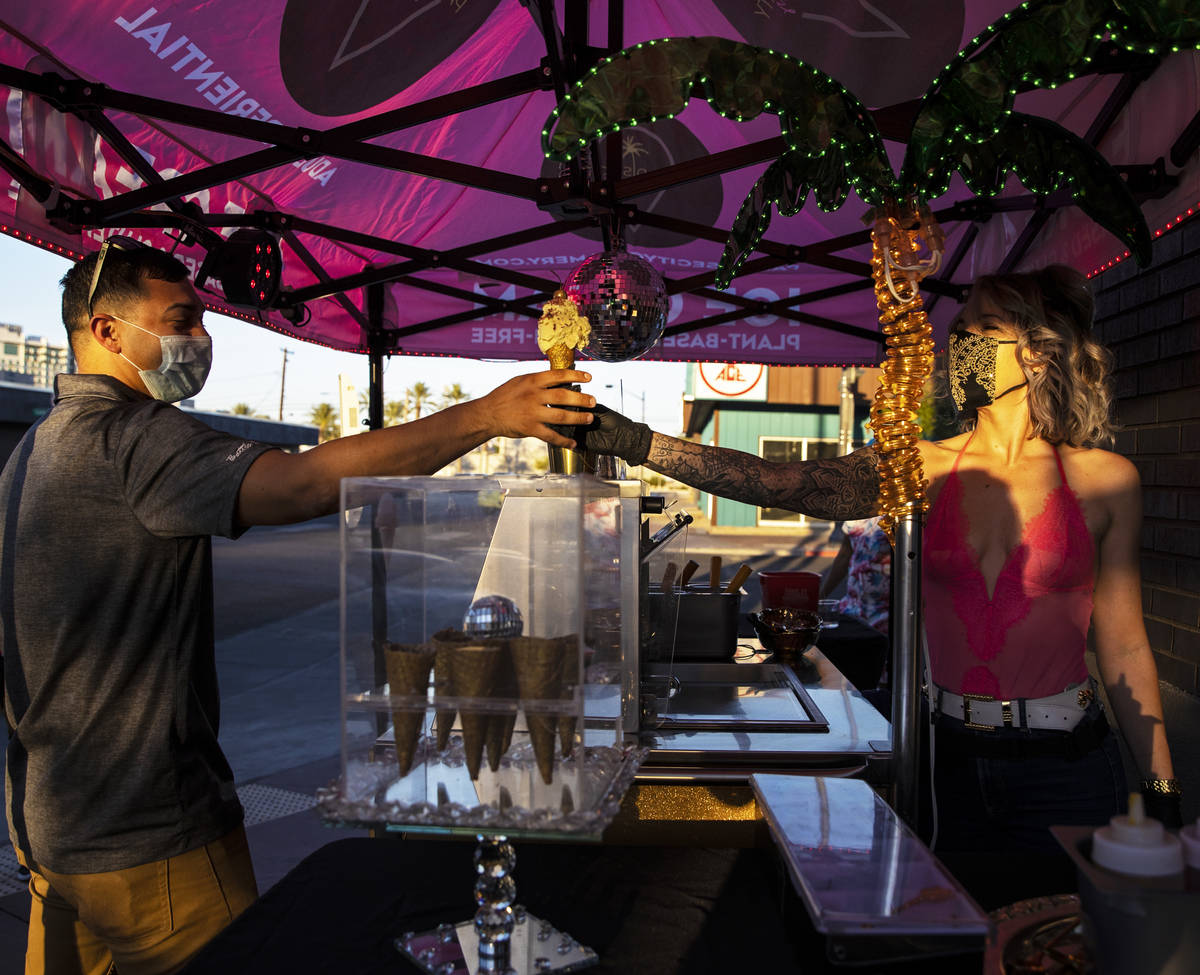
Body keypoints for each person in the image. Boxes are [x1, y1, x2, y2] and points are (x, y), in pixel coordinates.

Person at [0, 240, 595, 975]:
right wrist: (487, 415)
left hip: (51, 835)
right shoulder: (135, 438)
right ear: (107, 331)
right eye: (182, 318)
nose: (201, 339)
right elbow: (304, 483)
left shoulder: (32, 450)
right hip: (152, 840)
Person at [580, 264, 1180, 904]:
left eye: (981, 329)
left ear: (1035, 350)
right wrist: (638, 442)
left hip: (1074, 767)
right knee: (950, 942)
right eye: (958, 331)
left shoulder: (1105, 479)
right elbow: (783, 484)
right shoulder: (919, 466)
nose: (958, 346)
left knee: (1060, 944)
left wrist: (1163, 790)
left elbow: (1124, 647)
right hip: (946, 760)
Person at [820, 516, 891, 636]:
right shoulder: (855, 515)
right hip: (852, 609)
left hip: (886, 615)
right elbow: (844, 556)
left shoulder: (899, 512)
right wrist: (822, 593)